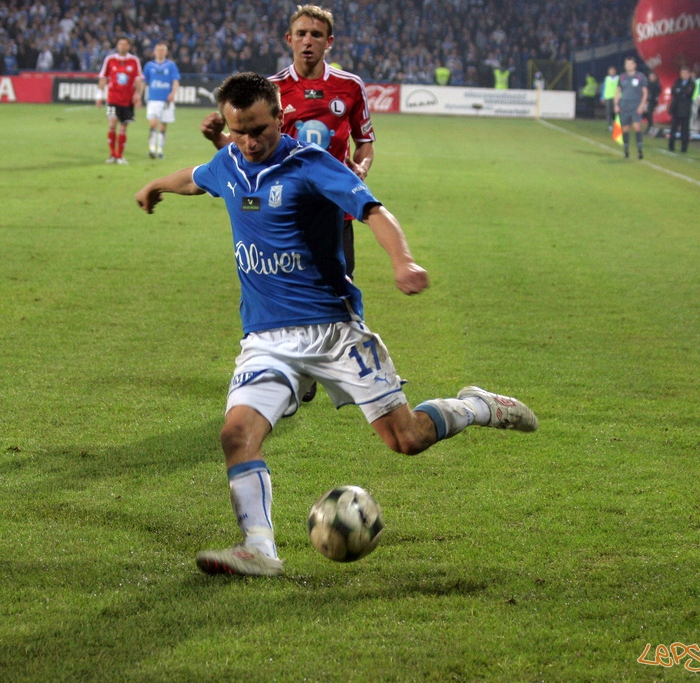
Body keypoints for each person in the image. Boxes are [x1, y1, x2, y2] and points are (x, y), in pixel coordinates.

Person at [135, 72, 538, 577]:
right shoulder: (230, 162)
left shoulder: (310, 164)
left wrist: (403, 262)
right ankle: (259, 547)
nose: (248, 140)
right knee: (236, 433)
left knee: (406, 438)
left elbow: (373, 209)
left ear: (280, 119)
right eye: (238, 130)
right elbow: (195, 177)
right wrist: (156, 184)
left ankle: (477, 406)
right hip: (265, 338)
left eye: (258, 128)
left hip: (332, 331)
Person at [201, 4, 376, 404]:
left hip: (333, 208)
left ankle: (331, 362)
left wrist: (361, 168)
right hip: (278, 210)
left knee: (334, 283)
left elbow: (364, 140)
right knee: (278, 285)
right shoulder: (270, 88)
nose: (308, 41)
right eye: (301, 34)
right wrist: (217, 141)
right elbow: (246, 151)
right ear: (289, 39)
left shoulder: (350, 87)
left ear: (329, 42)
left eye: (316, 34)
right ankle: (292, 372)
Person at [97, 37, 144, 165]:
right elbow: (103, 77)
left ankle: (120, 156)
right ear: (117, 46)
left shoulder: (134, 60)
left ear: (128, 46)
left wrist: (138, 95)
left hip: (127, 100)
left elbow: (139, 79)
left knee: (123, 127)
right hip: (112, 98)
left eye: (125, 44)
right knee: (112, 123)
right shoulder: (110, 59)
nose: (123, 46)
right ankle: (112, 155)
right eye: (120, 44)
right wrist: (99, 95)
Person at [142, 42, 180, 159]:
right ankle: (152, 148)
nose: (160, 52)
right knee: (153, 124)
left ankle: (160, 150)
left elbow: (175, 81)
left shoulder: (171, 65)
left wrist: (173, 93)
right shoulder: (149, 65)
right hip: (153, 99)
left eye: (162, 50)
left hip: (166, 101)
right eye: (158, 50)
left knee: (163, 127)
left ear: (166, 52)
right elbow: (144, 81)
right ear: (154, 51)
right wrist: (139, 95)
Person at [614, 56, 648, 159]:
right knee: (625, 129)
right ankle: (626, 151)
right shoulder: (622, 77)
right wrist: (616, 105)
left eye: (630, 64)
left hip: (635, 105)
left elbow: (645, 92)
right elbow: (617, 91)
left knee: (637, 127)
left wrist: (642, 106)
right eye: (626, 64)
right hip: (624, 105)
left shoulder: (640, 77)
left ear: (634, 65)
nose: (628, 66)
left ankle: (639, 150)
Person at [668, 66, 695, 153]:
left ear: (689, 74)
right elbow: (673, 91)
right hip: (676, 108)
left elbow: (687, 93)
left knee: (685, 130)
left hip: (685, 110)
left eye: (684, 73)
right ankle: (671, 145)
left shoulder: (691, 83)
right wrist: (680, 92)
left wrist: (679, 91)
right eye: (681, 73)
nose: (682, 75)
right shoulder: (677, 81)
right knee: (673, 128)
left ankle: (684, 147)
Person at [601, 66, 619, 131]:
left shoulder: (618, 78)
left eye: (613, 70)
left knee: (616, 112)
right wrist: (602, 97)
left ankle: (617, 125)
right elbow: (603, 88)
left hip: (616, 98)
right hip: (608, 97)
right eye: (610, 70)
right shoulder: (606, 79)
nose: (612, 72)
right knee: (608, 112)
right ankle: (610, 126)